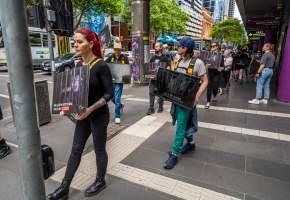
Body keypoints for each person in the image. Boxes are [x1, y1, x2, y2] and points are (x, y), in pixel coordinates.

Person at [48, 29, 113, 199]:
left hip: (98, 115)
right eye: (74, 42)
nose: (75, 45)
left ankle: (100, 181)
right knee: (76, 149)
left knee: (99, 149)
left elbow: (109, 94)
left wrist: (90, 109)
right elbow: (74, 91)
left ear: (90, 44)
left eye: (79, 42)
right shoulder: (77, 64)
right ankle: (64, 187)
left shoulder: (101, 65)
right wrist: (66, 106)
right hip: (82, 116)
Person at [164, 37, 208, 169]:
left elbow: (205, 81)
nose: (178, 48)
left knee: (181, 125)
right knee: (182, 121)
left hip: (188, 100)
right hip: (177, 99)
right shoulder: (178, 60)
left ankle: (174, 154)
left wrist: (197, 97)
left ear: (186, 48)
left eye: (180, 46)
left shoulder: (198, 63)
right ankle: (190, 143)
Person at [105, 41, 129, 124]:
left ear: (120, 50)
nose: (117, 51)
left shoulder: (124, 58)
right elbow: (104, 65)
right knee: (111, 97)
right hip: (111, 81)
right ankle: (121, 106)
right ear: (114, 50)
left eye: (118, 49)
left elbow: (127, 69)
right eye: (116, 49)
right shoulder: (111, 57)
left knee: (117, 98)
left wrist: (126, 79)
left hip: (119, 81)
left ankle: (117, 116)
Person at [146, 42, 169, 115]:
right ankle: (151, 108)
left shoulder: (165, 58)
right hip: (153, 79)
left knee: (160, 93)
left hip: (161, 79)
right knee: (151, 92)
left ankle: (160, 106)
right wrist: (149, 75)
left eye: (157, 46)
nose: (155, 48)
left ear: (161, 48)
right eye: (155, 46)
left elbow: (168, 68)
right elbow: (150, 67)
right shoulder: (153, 57)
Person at [205, 43, 223, 109]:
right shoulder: (209, 54)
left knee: (215, 87)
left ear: (217, 47)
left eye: (214, 46)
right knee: (209, 87)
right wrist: (206, 65)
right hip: (210, 72)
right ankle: (208, 102)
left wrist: (220, 68)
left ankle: (215, 94)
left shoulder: (221, 55)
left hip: (217, 73)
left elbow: (222, 66)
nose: (212, 47)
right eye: (211, 46)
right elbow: (206, 61)